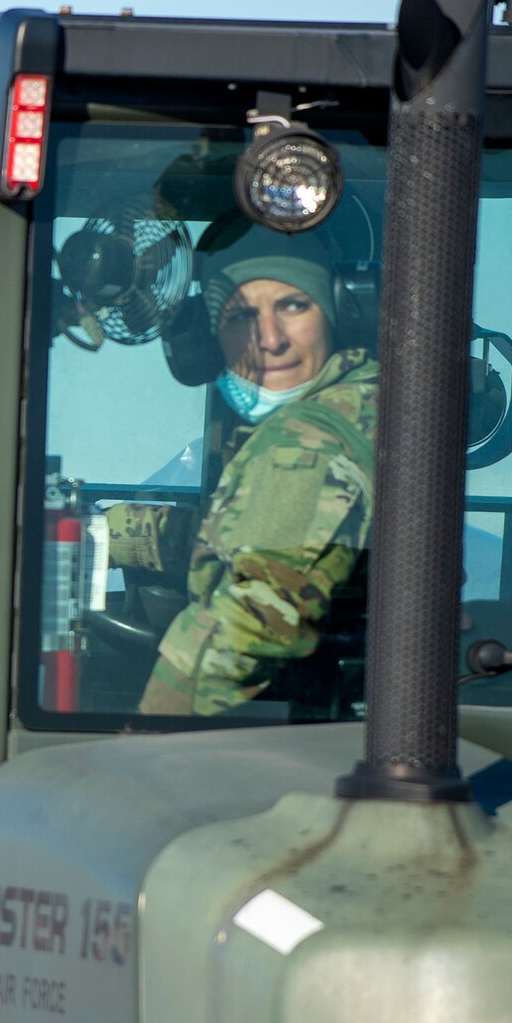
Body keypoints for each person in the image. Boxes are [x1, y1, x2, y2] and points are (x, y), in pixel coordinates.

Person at [137, 227, 378, 716]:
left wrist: (146, 734)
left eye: (293, 306)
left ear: (336, 314)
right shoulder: (361, 403)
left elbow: (257, 620)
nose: (269, 340)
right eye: (242, 317)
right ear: (212, 338)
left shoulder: (304, 439)